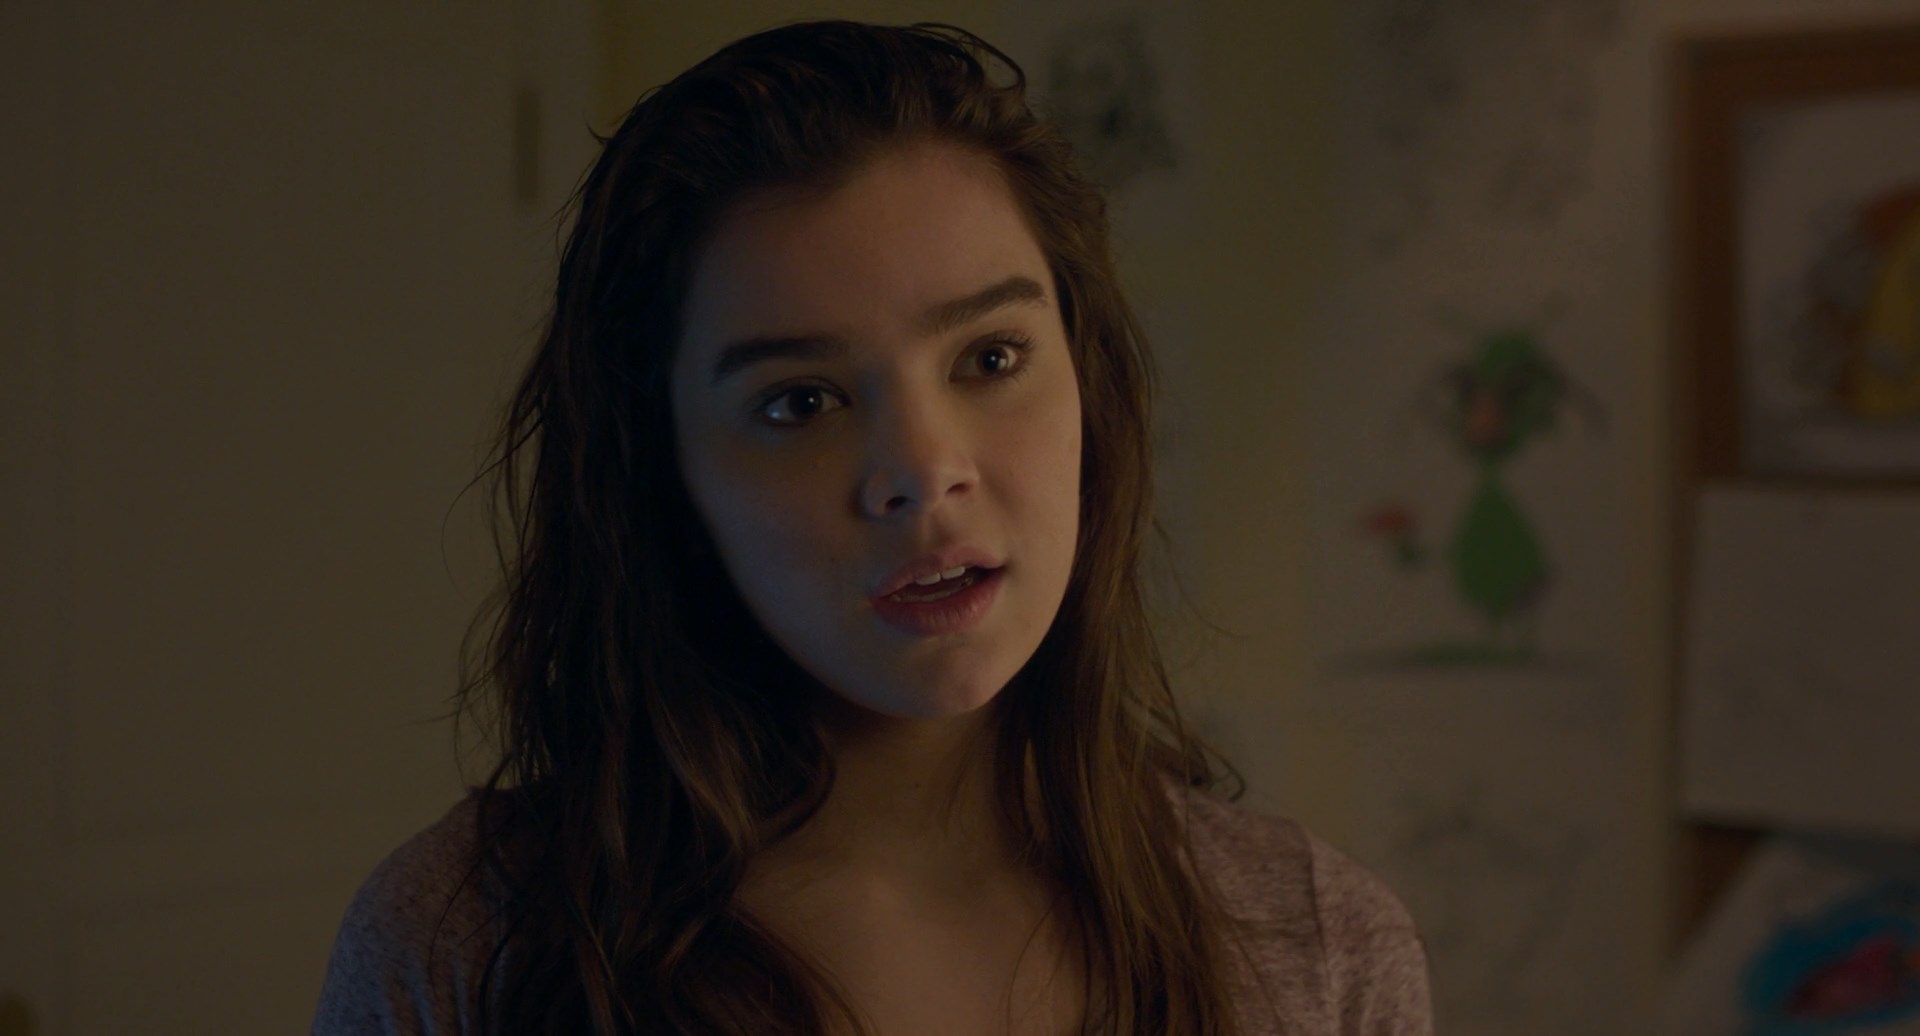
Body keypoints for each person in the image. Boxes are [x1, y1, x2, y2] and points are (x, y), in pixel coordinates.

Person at [311, 20, 1433, 1036]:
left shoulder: (1317, 947)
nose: (924, 473)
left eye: (990, 357)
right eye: (801, 402)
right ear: (665, 475)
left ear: (1088, 383)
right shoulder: (463, 945)